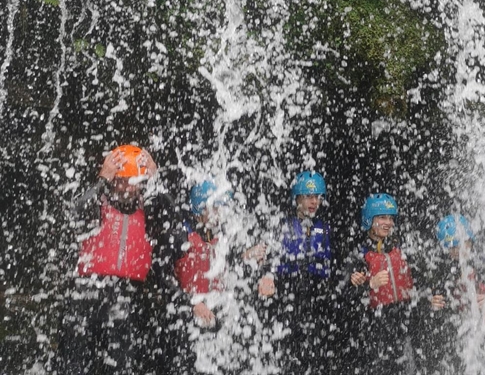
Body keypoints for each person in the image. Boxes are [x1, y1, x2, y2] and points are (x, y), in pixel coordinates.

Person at [53, 144, 181, 375]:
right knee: (74, 362)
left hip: (127, 294)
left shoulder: (149, 209)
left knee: (122, 364)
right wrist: (102, 178)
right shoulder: (97, 201)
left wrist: (156, 179)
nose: (126, 187)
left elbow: (173, 218)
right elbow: (76, 215)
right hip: (87, 291)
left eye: (132, 182)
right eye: (121, 180)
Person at [172, 178, 267, 374]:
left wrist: (247, 256)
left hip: (214, 313)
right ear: (200, 209)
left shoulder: (220, 235)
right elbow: (166, 280)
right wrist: (192, 303)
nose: (222, 213)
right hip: (185, 315)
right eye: (216, 208)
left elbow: (227, 266)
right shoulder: (180, 235)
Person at [258, 171, 334, 375]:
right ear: (297, 198)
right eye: (309, 196)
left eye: (317, 197)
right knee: (288, 352)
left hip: (314, 296)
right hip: (287, 294)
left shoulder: (324, 228)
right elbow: (269, 258)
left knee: (316, 353)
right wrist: (268, 277)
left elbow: (329, 267)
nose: (314, 201)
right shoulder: (282, 225)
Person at [348, 193, 420, 375]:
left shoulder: (400, 246)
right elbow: (346, 296)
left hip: (402, 318)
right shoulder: (359, 253)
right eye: (382, 217)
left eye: (390, 218)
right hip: (375, 326)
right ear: (369, 220)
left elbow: (420, 279)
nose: (388, 223)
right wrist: (369, 284)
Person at [421, 214, 485, 373]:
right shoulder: (438, 271)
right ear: (444, 248)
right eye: (453, 248)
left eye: (465, 244)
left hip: (476, 328)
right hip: (450, 331)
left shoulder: (481, 265)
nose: (460, 251)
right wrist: (430, 302)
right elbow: (427, 300)